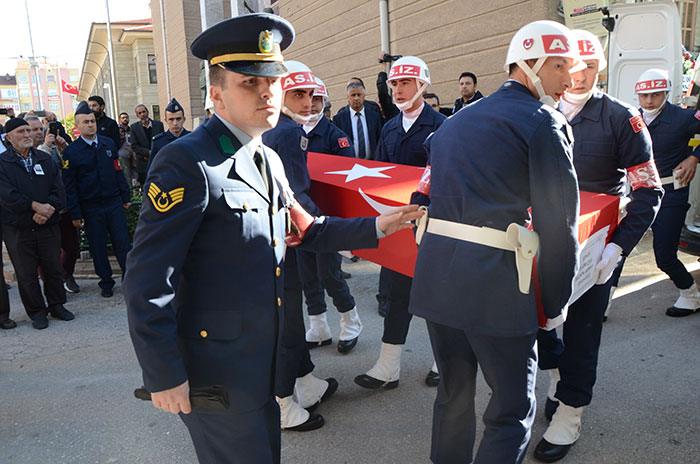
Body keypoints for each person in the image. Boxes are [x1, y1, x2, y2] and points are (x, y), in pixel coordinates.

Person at [124, 14, 422, 464]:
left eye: (273, 81)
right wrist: (163, 373)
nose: (267, 92)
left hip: (263, 364)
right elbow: (148, 280)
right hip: (217, 369)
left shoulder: (266, 158)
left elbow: (309, 230)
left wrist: (383, 224)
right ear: (217, 94)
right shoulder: (187, 162)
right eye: (249, 83)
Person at [408, 21, 583, 464]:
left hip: (438, 280)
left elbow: (429, 193)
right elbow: (559, 223)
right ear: (530, 66)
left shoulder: (452, 122)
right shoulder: (543, 121)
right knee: (509, 411)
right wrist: (556, 302)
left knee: (453, 395)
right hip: (497, 287)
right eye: (560, 65)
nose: (569, 78)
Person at [533, 30, 663, 463]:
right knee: (543, 322)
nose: (579, 74)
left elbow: (648, 190)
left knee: (584, 330)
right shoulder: (537, 112)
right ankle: (556, 381)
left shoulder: (621, 118)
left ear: (600, 67)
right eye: (571, 64)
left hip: (596, 247)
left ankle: (571, 412)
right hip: (542, 240)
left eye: (589, 65)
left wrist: (618, 248)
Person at [263, 61, 360, 431]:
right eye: (297, 94)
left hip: (277, 240)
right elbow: (296, 195)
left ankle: (307, 383)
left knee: (292, 313)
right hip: (286, 241)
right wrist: (334, 227)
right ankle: (284, 405)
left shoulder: (279, 128)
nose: (307, 103)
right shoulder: (288, 134)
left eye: (311, 95)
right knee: (288, 325)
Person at [355, 56, 447, 390]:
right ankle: (388, 366)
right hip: (397, 226)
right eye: (394, 84)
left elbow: (448, 178)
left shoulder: (442, 125)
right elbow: (380, 174)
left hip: (432, 228)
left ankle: (444, 361)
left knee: (438, 297)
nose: (398, 89)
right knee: (395, 296)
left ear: (422, 85)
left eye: (405, 83)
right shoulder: (390, 127)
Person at [634, 68, 700, 317]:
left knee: (664, 256)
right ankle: (602, 303)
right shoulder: (631, 118)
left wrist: (695, 157)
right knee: (617, 250)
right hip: (638, 193)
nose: (649, 101)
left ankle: (691, 295)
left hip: (671, 193)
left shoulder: (682, 118)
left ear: (666, 93)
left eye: (655, 95)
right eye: (644, 96)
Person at [0, 118, 74, 330]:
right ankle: (37, 312)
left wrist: (47, 209)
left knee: (53, 268)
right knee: (26, 274)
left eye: (29, 130)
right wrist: (34, 206)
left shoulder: (44, 158)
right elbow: (7, 196)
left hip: (47, 224)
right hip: (18, 228)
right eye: (21, 131)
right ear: (8, 137)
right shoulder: (2, 163)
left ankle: (57, 306)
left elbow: (58, 189)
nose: (27, 135)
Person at [62, 101, 131, 298]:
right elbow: (70, 186)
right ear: (77, 126)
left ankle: (129, 279)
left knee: (123, 244)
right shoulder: (71, 152)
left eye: (92, 121)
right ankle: (106, 282)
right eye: (86, 122)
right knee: (98, 246)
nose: (90, 124)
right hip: (91, 207)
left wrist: (125, 196)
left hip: (113, 203)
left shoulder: (108, 144)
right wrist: (75, 213)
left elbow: (119, 172)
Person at [38, 124, 81, 294]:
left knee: (71, 247)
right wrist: (46, 147)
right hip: (43, 211)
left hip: (64, 208)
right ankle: (52, 285)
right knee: (47, 252)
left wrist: (64, 149)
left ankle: (66, 275)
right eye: (31, 129)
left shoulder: (57, 149)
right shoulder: (35, 152)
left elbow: (70, 169)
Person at [333, 80, 383, 158]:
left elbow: (379, 140)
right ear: (348, 97)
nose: (356, 98)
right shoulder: (339, 119)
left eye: (359, 95)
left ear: (364, 96)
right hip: (349, 163)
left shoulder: (374, 117)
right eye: (353, 95)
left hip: (372, 163)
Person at [146, 98, 190, 173]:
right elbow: (152, 169)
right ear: (166, 120)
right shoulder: (158, 142)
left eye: (178, 119)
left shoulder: (192, 139)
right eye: (171, 119)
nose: (175, 123)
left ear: (184, 119)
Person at [130, 104, 164, 185]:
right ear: (137, 115)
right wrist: (148, 152)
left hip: (158, 161)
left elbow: (162, 140)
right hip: (143, 164)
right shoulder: (134, 128)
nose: (142, 114)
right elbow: (134, 146)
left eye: (144, 112)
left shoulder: (158, 125)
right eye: (140, 113)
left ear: (148, 112)